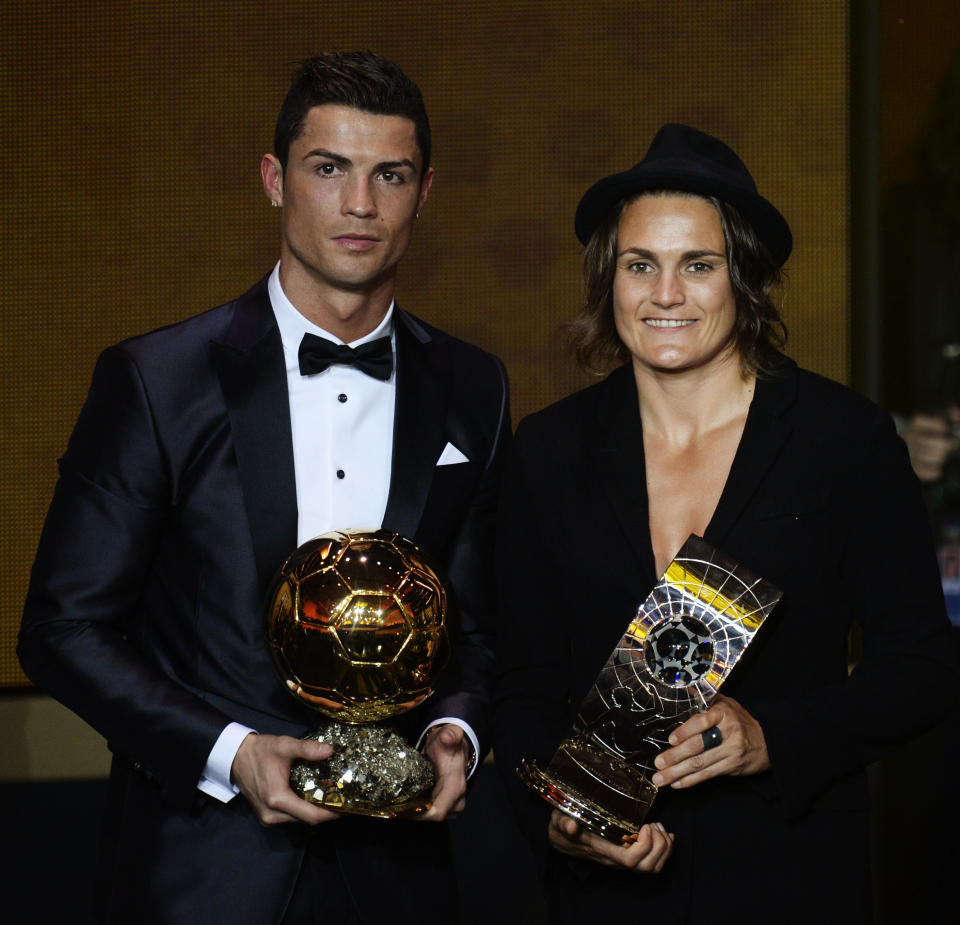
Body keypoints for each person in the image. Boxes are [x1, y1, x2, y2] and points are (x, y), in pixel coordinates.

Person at [19, 52, 510, 925]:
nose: (361, 204)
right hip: (199, 872)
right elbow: (63, 628)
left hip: (401, 877)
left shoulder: (476, 384)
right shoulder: (155, 380)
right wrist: (230, 751)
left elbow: (477, 616)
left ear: (424, 191)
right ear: (275, 179)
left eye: (389, 175)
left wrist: (457, 731)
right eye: (331, 170)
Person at [493, 124, 956, 923]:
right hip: (607, 894)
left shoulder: (841, 440)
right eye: (641, 265)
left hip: (792, 880)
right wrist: (564, 812)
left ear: (744, 278)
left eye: (697, 266)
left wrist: (773, 735)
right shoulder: (549, 450)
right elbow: (522, 683)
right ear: (610, 280)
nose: (665, 295)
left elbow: (922, 666)